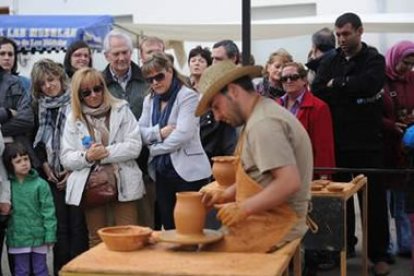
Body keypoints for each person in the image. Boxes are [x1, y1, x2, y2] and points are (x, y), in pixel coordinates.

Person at [196, 60, 313, 252]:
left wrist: (243, 208)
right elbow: (258, 173)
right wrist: (227, 194)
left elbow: (289, 182)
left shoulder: (263, 123)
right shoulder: (258, 115)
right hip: (266, 218)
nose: (216, 117)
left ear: (233, 91)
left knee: (205, 261)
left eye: (216, 106)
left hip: (278, 225)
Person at [311, 12, 390, 275]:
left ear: (360, 31)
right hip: (338, 142)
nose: (342, 39)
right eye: (338, 34)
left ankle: (378, 254)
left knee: (373, 203)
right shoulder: (330, 60)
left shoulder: (374, 59)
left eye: (346, 34)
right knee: (338, 201)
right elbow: (319, 89)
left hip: (368, 143)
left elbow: (370, 85)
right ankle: (341, 250)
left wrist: (340, 85)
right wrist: (347, 89)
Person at [60, 67, 144, 247]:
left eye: (97, 89)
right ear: (78, 95)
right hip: (92, 185)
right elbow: (66, 158)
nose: (93, 95)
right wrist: (88, 156)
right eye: (86, 92)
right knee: (97, 239)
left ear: (103, 88)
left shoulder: (121, 108)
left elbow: (135, 146)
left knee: (128, 235)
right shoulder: (73, 118)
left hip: (123, 181)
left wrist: (103, 154)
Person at [139, 53, 211, 230]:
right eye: (150, 79)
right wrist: (159, 133)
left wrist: (153, 149)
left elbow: (183, 135)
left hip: (189, 172)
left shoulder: (188, 96)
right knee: (170, 227)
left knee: (192, 228)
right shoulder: (149, 99)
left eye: (159, 76)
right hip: (162, 172)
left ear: (170, 71)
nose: (155, 82)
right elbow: (138, 132)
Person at [31, 59, 88, 275]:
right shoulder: (41, 107)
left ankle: (80, 270)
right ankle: (62, 271)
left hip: (77, 172)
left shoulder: (76, 102)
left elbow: (87, 139)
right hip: (52, 176)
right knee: (60, 229)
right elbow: (37, 143)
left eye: (51, 80)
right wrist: (45, 167)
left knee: (78, 227)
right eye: (42, 84)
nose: (48, 86)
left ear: (60, 78)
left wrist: (71, 170)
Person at [102, 30, 154, 228]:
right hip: (113, 164)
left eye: (125, 52)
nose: (122, 57)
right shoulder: (99, 83)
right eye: (116, 54)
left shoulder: (148, 78)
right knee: (118, 225)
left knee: (147, 223)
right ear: (107, 56)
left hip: (145, 161)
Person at [0, 61, 35, 276]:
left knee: (18, 241)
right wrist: (5, 112)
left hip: (10, 171)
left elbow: (27, 119)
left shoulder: (15, 83)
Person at [3, 142, 56, 276]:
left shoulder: (41, 185)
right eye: (18, 161)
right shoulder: (8, 187)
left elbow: (49, 211)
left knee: (41, 269)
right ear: (10, 165)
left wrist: (50, 234)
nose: (24, 163)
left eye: (26, 159)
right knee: (21, 270)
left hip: (39, 236)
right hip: (18, 237)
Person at [382, 40, 414, 261]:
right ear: (395, 58)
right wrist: (389, 124)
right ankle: (384, 247)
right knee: (382, 201)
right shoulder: (379, 79)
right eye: (405, 62)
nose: (407, 68)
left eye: (412, 64)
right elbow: (370, 111)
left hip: (406, 148)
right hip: (384, 146)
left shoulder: (412, 79)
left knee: (403, 200)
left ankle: (405, 244)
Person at [279, 62, 335, 178]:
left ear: (304, 80)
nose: (288, 81)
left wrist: (324, 176)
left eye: (293, 77)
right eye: (284, 78)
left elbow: (324, 147)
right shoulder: (276, 105)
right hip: (279, 172)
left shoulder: (319, 107)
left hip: (306, 173)